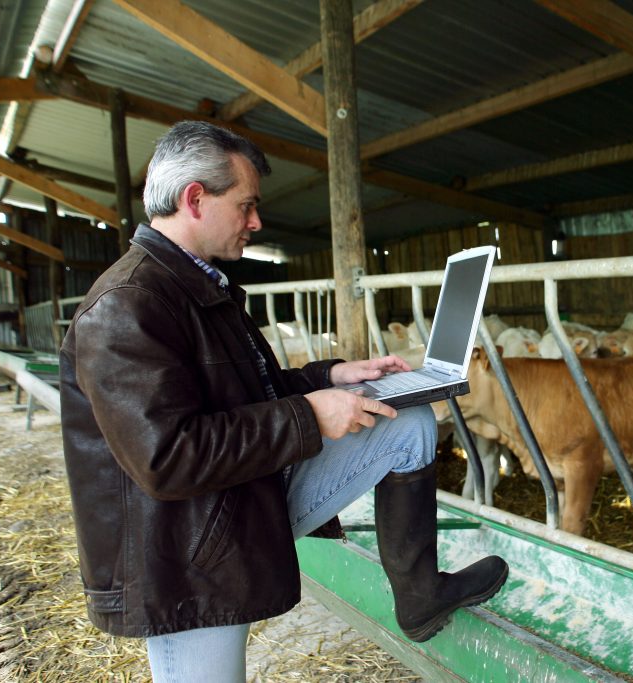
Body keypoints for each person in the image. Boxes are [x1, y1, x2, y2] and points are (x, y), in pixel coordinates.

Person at [59, 120, 508, 681]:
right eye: (246, 205)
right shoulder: (128, 305)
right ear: (195, 199)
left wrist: (334, 376)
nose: (256, 222)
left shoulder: (197, 285)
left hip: (231, 499)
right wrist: (310, 414)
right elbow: (166, 458)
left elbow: (252, 393)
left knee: (407, 419)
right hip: (182, 547)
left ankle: (421, 595)